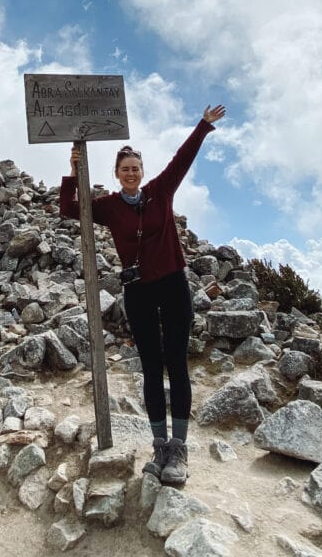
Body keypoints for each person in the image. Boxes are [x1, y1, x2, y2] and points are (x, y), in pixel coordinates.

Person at [60, 104, 226, 485]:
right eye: (125, 169)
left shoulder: (161, 191)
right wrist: (73, 172)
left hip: (172, 284)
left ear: (142, 172)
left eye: (135, 168)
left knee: (177, 363)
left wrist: (202, 126)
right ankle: (159, 447)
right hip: (137, 291)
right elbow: (70, 210)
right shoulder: (108, 207)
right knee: (151, 368)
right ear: (116, 175)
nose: (131, 173)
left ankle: (179, 451)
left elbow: (182, 160)